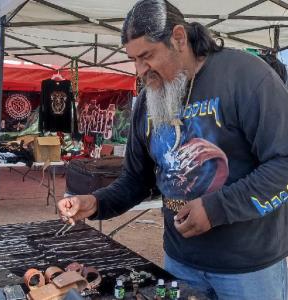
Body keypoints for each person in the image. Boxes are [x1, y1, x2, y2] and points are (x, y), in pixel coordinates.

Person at [58, 1, 288, 299]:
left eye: (147, 56)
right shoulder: (146, 101)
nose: (140, 70)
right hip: (180, 263)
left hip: (249, 269)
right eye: (134, 59)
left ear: (179, 38)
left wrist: (216, 208)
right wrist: (96, 203)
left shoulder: (246, 77)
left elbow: (283, 162)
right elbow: (136, 181)